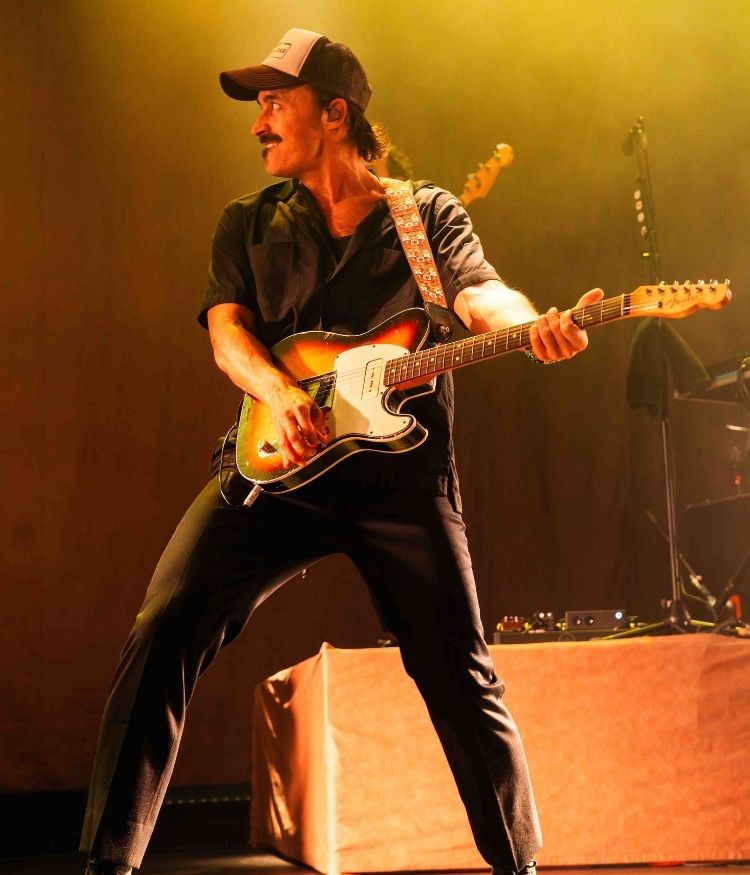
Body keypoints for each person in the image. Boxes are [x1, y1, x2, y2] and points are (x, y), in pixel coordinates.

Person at [81, 27, 603, 875]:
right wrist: (281, 394)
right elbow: (227, 336)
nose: (258, 122)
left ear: (334, 114)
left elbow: (480, 295)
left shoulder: (425, 213)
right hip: (277, 467)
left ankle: (520, 867)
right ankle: (110, 865)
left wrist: (532, 324)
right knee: (163, 625)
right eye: (258, 105)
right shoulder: (246, 223)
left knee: (459, 672)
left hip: (400, 479)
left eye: (274, 102)